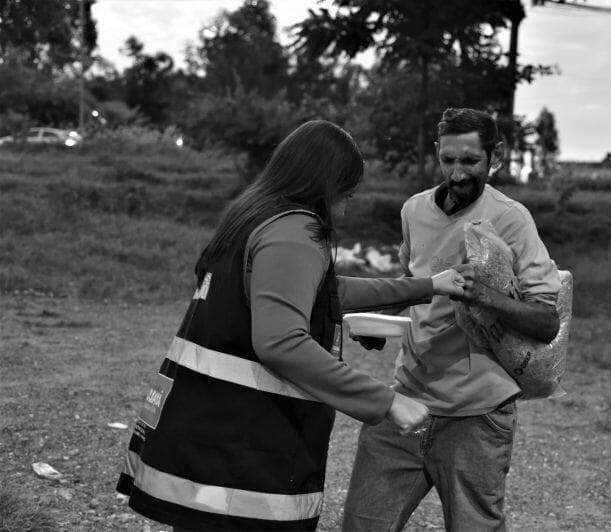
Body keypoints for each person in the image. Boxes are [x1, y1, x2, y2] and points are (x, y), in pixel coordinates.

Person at [115, 120, 466, 531]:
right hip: (243, 448)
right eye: (346, 194)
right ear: (326, 185)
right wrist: (387, 402)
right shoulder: (293, 233)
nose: (346, 207)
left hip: (207, 429)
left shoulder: (255, 217)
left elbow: (323, 291)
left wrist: (426, 286)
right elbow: (281, 342)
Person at [342, 108, 562, 531]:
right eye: (448, 160)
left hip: (477, 415)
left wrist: (485, 296)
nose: (457, 174)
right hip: (407, 399)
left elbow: (546, 321)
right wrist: (377, 320)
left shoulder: (510, 218)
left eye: (470, 162)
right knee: (362, 524)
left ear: (493, 158)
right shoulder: (414, 210)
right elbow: (412, 284)